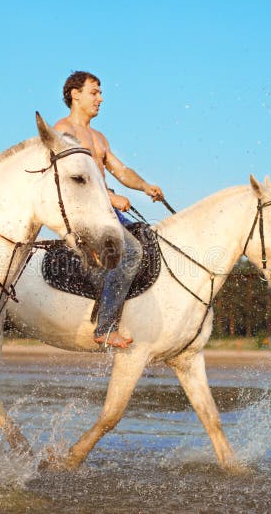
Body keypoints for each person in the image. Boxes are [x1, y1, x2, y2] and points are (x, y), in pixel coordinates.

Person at [54, 71, 164, 349]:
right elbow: (71, 180)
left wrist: (144, 186)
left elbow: (120, 170)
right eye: (94, 92)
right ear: (74, 94)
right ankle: (105, 327)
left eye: (100, 93)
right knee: (132, 253)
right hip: (86, 213)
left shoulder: (99, 137)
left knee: (151, 242)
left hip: (108, 212)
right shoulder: (63, 131)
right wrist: (110, 198)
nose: (100, 99)